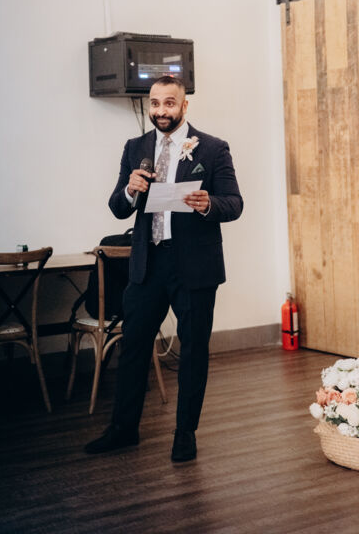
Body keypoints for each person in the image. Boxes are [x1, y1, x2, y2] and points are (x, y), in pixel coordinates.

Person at [84, 76, 243, 462]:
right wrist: (129, 190)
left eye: (169, 103)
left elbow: (234, 203)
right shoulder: (135, 147)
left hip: (194, 265)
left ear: (184, 106)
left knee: (193, 351)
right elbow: (117, 207)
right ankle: (123, 429)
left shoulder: (213, 148)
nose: (160, 111)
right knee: (134, 347)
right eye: (155, 103)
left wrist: (208, 204)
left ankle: (185, 433)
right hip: (148, 263)